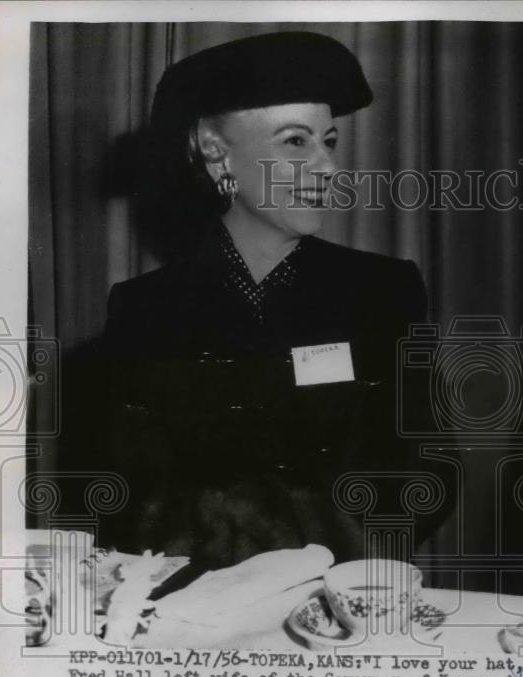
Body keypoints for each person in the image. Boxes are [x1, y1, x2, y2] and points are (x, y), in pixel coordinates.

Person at [84, 32, 447, 570]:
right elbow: (119, 488)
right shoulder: (143, 308)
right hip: (193, 599)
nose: (326, 167)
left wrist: (325, 549)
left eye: (329, 142)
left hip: (342, 594)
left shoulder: (382, 290)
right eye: (296, 142)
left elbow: (430, 467)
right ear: (216, 153)